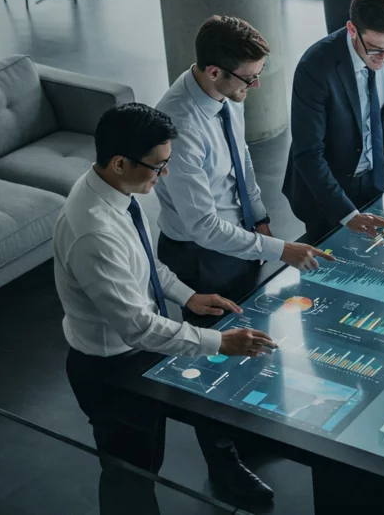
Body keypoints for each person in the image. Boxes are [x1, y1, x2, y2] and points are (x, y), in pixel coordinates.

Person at [55, 104, 278, 512]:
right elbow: (137, 327)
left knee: (145, 463)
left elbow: (144, 260)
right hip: (111, 370)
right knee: (131, 479)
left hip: (134, 355)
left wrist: (186, 295)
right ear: (121, 162)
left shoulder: (114, 190)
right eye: (158, 167)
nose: (166, 176)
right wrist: (219, 342)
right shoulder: (94, 234)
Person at [153, 15, 333, 502]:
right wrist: (281, 250)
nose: (254, 86)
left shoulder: (223, 96)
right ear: (214, 71)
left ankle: (249, 430)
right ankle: (224, 460)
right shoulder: (180, 127)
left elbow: (242, 163)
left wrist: (260, 219)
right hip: (199, 258)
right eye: (249, 78)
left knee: (251, 337)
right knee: (211, 353)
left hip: (240, 242)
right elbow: (202, 228)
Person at [283, 0, 384, 243]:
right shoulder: (315, 67)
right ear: (352, 30)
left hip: (372, 180)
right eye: (376, 49)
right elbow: (308, 153)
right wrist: (347, 214)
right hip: (323, 195)